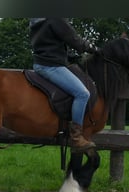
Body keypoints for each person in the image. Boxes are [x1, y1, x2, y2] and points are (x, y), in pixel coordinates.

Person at [29, 18, 99, 152]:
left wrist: (66, 56)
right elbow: (74, 39)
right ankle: (76, 137)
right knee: (82, 94)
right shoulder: (55, 18)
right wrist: (92, 48)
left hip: (41, 62)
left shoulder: (37, 19)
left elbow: (49, 42)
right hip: (51, 66)